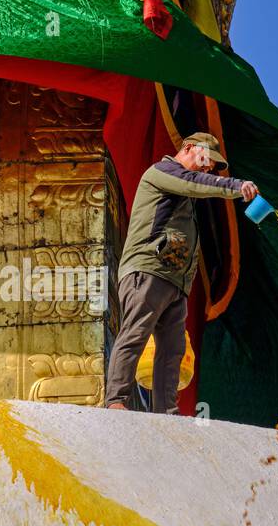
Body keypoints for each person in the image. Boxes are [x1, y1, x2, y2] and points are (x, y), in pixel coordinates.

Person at [104, 132, 259, 413]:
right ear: (188, 148)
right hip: (148, 270)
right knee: (136, 332)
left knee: (172, 350)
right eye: (207, 159)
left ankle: (166, 413)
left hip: (174, 280)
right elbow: (197, 183)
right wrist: (236, 186)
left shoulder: (184, 192)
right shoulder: (162, 172)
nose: (208, 167)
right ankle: (116, 400)